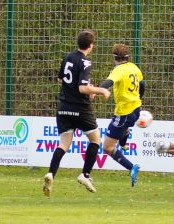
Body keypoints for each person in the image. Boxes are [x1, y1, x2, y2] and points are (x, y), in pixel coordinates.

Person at [43, 30, 111, 197]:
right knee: (95, 140)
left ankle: (51, 173)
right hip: (80, 108)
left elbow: (62, 80)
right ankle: (85, 174)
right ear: (91, 45)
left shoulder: (68, 57)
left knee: (64, 144)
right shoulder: (85, 62)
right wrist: (100, 90)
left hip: (63, 107)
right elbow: (82, 88)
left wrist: (89, 87)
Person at [98, 44, 144, 187]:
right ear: (127, 56)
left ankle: (131, 167)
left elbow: (109, 82)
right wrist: (138, 98)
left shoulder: (119, 70)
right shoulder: (134, 68)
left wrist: (97, 90)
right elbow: (142, 85)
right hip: (136, 109)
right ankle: (123, 143)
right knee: (125, 128)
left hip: (123, 113)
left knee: (107, 147)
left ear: (114, 57)